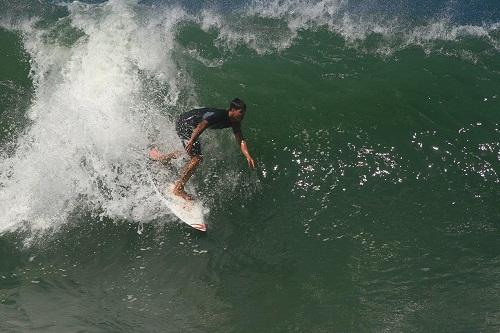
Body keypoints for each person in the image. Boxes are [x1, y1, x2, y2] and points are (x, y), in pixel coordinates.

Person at [149, 98, 255, 200]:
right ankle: (178, 189)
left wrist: (248, 156)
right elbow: (201, 125)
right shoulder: (219, 115)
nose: (243, 115)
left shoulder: (235, 122)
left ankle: (162, 158)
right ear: (232, 110)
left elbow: (240, 139)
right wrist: (191, 140)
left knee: (189, 154)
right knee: (197, 158)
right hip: (185, 123)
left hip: (190, 126)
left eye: (244, 113)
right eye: (241, 112)